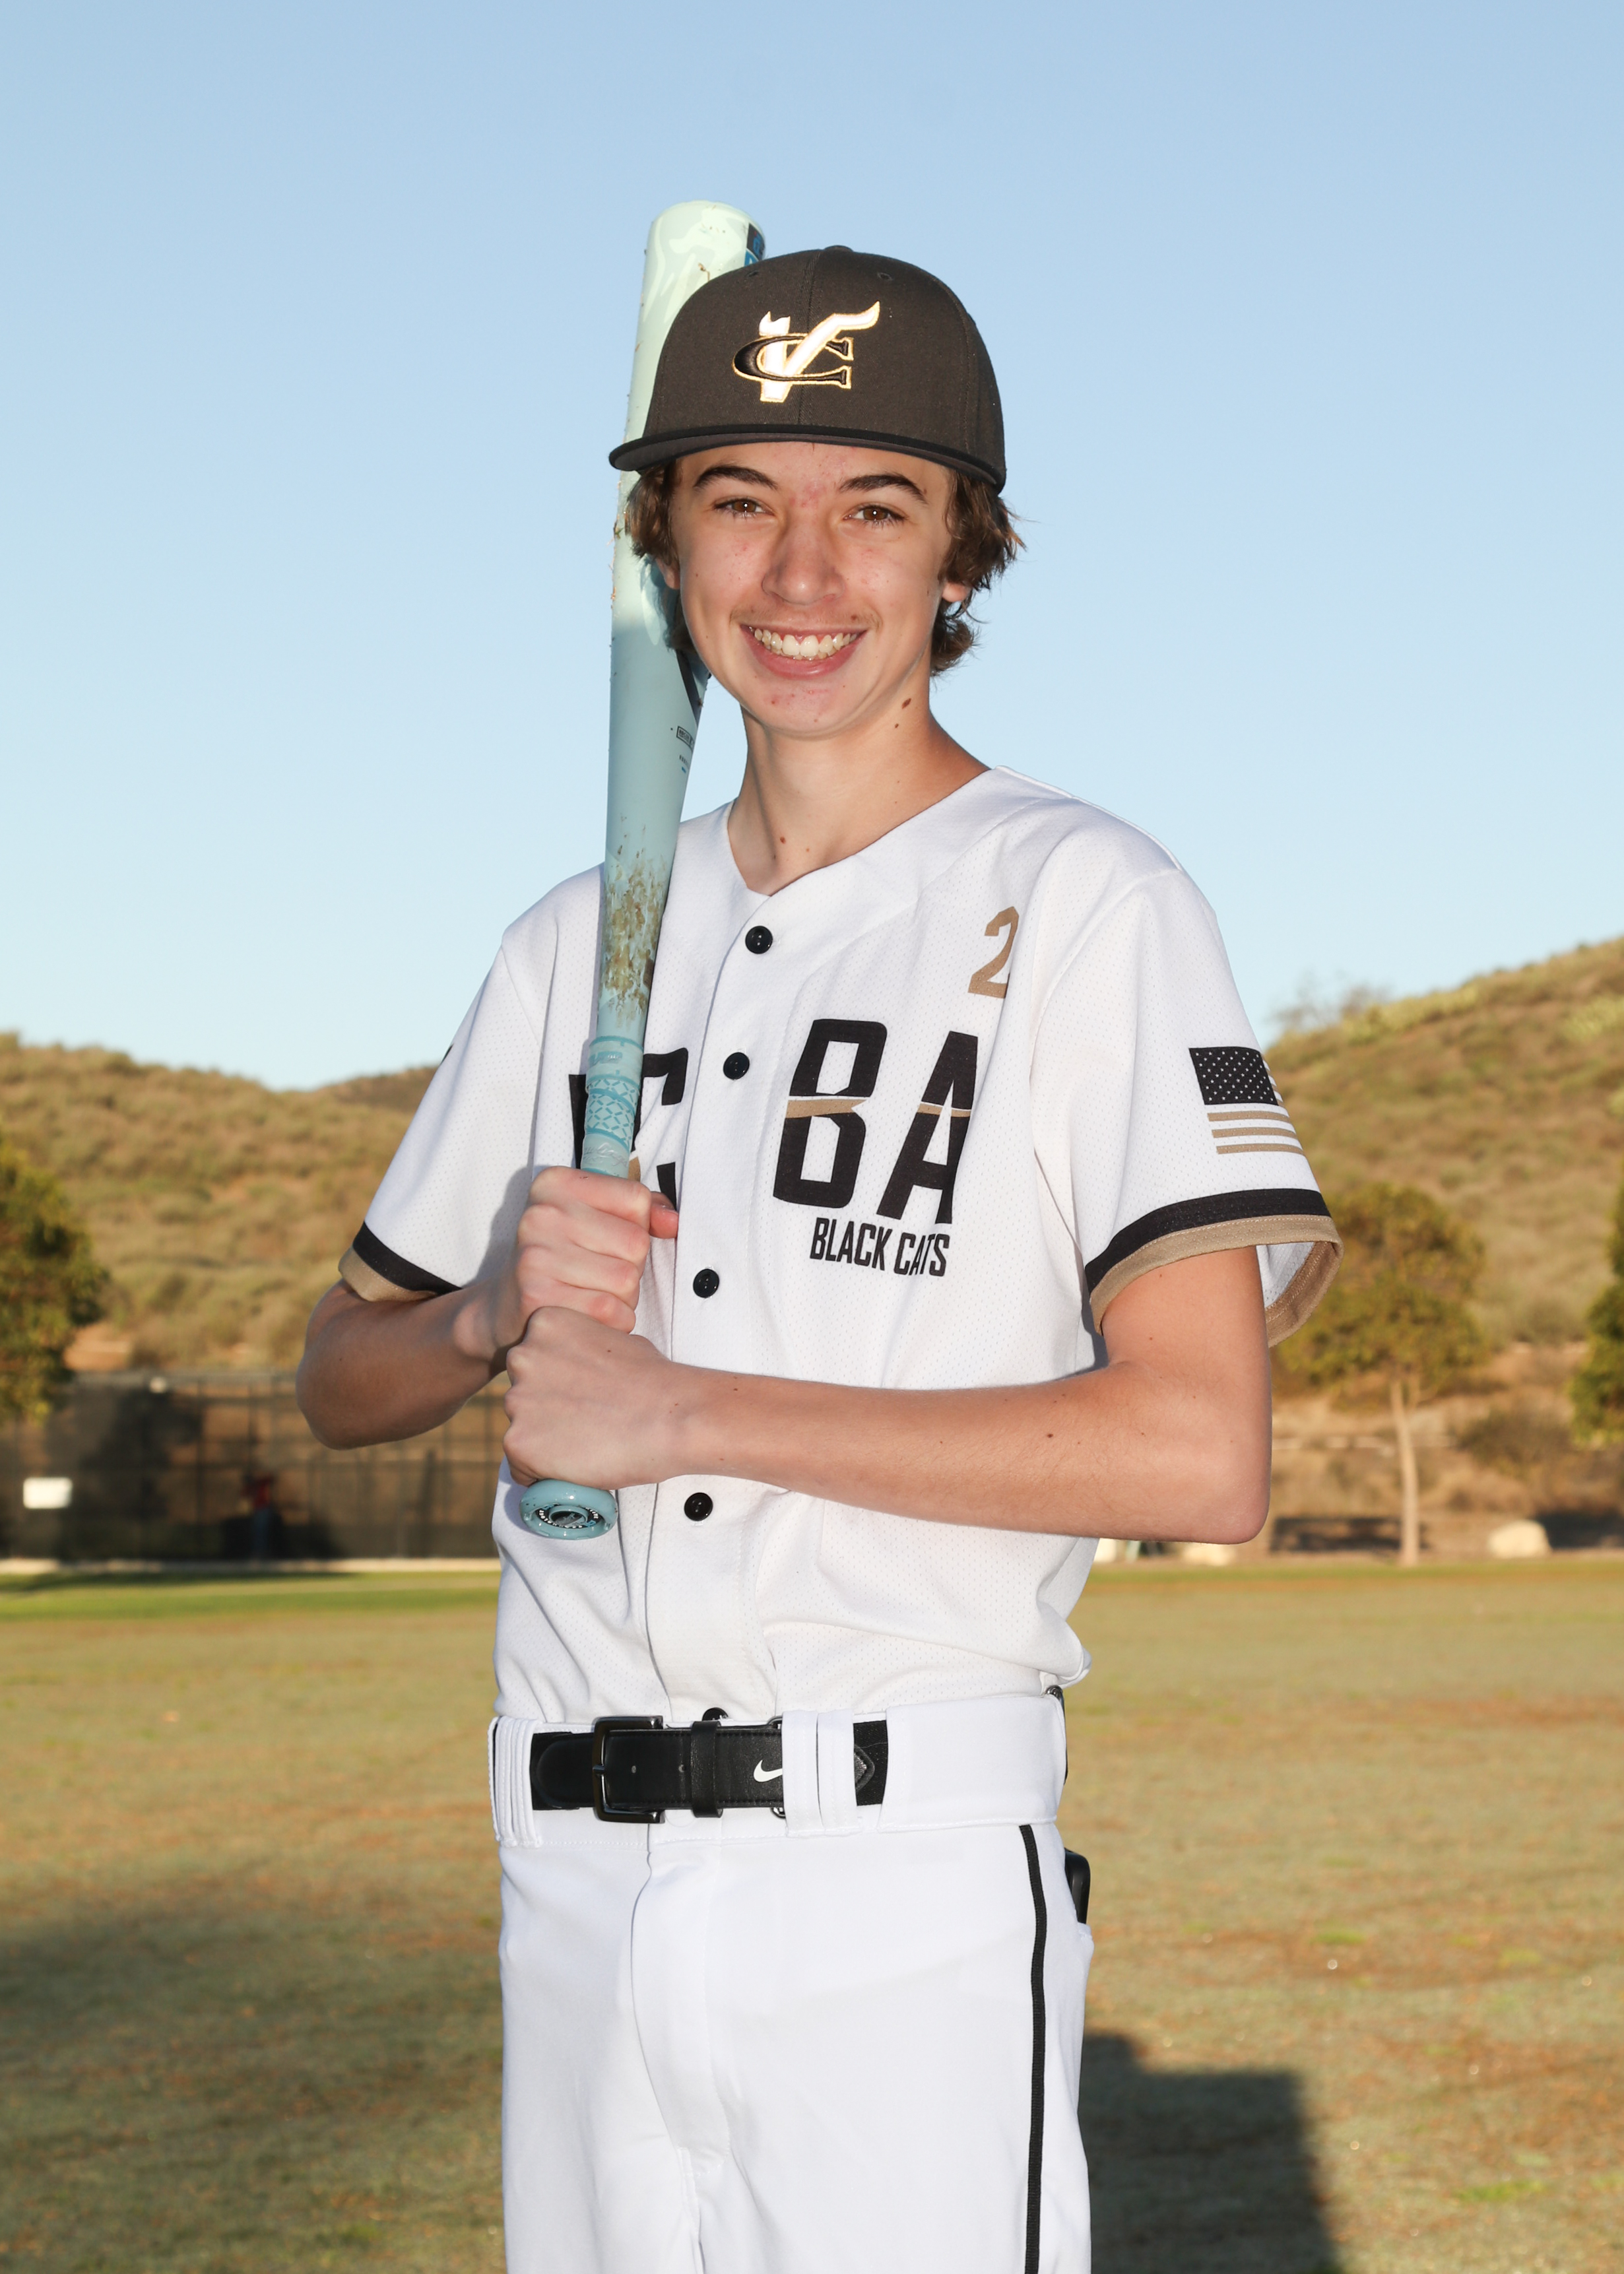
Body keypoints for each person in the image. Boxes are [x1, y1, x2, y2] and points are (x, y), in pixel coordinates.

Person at [297, 245, 1340, 2274]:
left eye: (874, 507)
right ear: (664, 541)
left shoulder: (1086, 901)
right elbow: (346, 1369)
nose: (800, 573)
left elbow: (1201, 1452)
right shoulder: (576, 939)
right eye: (738, 500)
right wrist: (490, 1308)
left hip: (894, 1877)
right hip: (572, 1868)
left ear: (963, 554)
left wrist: (687, 1411)